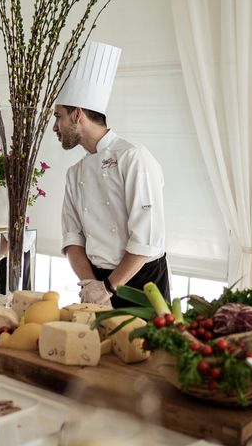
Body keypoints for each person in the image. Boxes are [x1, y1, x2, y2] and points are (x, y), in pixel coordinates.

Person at [54, 41, 170, 308]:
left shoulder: (134, 157)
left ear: (78, 115)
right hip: (96, 282)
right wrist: (91, 285)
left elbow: (146, 240)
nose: (54, 126)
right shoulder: (76, 172)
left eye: (58, 116)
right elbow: (72, 237)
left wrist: (108, 287)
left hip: (142, 282)